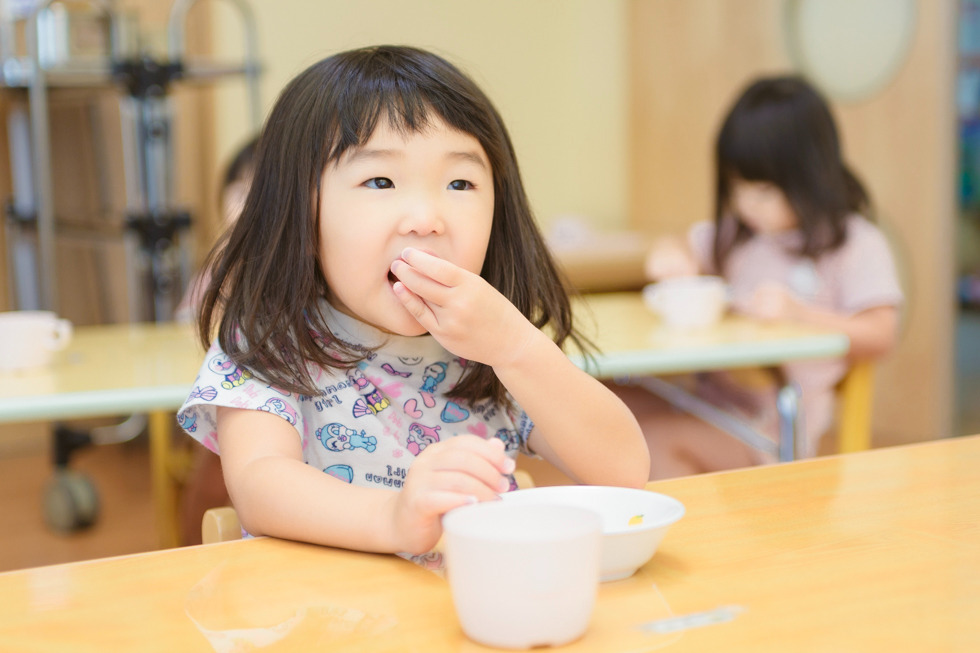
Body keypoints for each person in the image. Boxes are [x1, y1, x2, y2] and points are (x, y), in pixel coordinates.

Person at [177, 45, 649, 555]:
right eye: (380, 180)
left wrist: (517, 347)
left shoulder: (493, 345)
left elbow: (623, 472)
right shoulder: (272, 339)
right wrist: (393, 518)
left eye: (460, 182)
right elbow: (259, 486)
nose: (427, 217)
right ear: (301, 214)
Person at [625, 75, 903, 479]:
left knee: (648, 446)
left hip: (771, 431)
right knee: (603, 409)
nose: (746, 204)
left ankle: (687, 540)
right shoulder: (740, 236)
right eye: (736, 188)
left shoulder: (854, 243)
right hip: (707, 403)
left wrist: (800, 313)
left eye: (764, 190)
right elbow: (684, 244)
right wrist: (671, 256)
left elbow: (882, 333)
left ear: (811, 176)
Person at [175, 136, 258, 545]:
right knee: (211, 472)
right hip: (221, 390)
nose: (249, 207)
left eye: (262, 194)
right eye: (240, 193)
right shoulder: (221, 265)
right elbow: (183, 323)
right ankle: (190, 554)